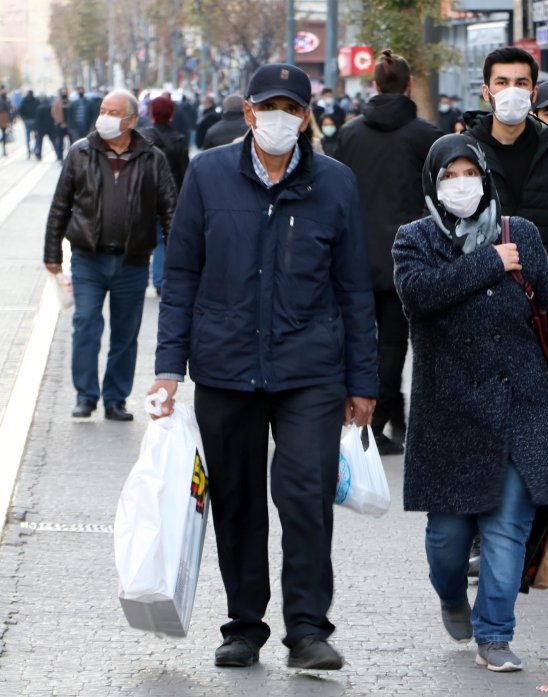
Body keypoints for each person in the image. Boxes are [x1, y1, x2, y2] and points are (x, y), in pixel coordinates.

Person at [149, 63, 377, 670]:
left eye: (291, 108)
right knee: (238, 498)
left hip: (311, 370)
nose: (279, 118)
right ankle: (244, 625)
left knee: (304, 496)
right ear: (248, 112)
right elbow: (181, 277)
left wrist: (364, 382)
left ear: (306, 117)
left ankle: (307, 630)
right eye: (267, 106)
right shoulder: (207, 175)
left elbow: (356, 289)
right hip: (225, 367)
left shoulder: (336, 183)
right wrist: (168, 367)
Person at [392, 133, 548, 672]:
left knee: (507, 528)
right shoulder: (413, 240)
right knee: (448, 539)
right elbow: (420, 296)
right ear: (433, 185)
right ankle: (452, 596)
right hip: (448, 415)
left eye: (470, 173)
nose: (462, 184)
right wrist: (489, 264)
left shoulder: (519, 233)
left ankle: (496, 634)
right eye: (449, 175)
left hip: (523, 405)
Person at [331, 50, 442, 455]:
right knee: (395, 342)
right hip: (407, 255)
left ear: (374, 86)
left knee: (364, 338)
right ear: (408, 85)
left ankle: (383, 417)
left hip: (354, 253)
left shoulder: (349, 134)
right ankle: (380, 422)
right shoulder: (426, 136)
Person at [43, 90, 176, 420]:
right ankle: (86, 395)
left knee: (125, 333)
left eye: (113, 112)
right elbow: (61, 204)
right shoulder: (80, 153)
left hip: (132, 261)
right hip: (88, 257)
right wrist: (52, 253)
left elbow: (170, 211)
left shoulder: (152, 158)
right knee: (85, 321)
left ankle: (115, 398)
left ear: (131, 120)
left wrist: (176, 259)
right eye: (103, 109)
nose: (104, 116)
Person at [463, 47, 548, 321]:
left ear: (533, 93)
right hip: (478, 308)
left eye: (521, 83)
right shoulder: (461, 153)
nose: (511, 91)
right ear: (486, 92)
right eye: (502, 82)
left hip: (543, 307)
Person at [141, 96, 190, 296]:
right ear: (172, 113)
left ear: (151, 112)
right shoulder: (179, 139)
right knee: (162, 239)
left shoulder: (141, 138)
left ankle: (140, 278)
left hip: (144, 195)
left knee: (141, 238)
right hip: (170, 196)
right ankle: (160, 281)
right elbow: (185, 171)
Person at [19, 89, 38, 159]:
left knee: (28, 137)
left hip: (27, 121)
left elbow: (20, 111)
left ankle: (29, 151)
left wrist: (24, 118)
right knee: (36, 137)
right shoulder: (36, 101)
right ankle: (35, 149)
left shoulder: (24, 101)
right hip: (34, 121)